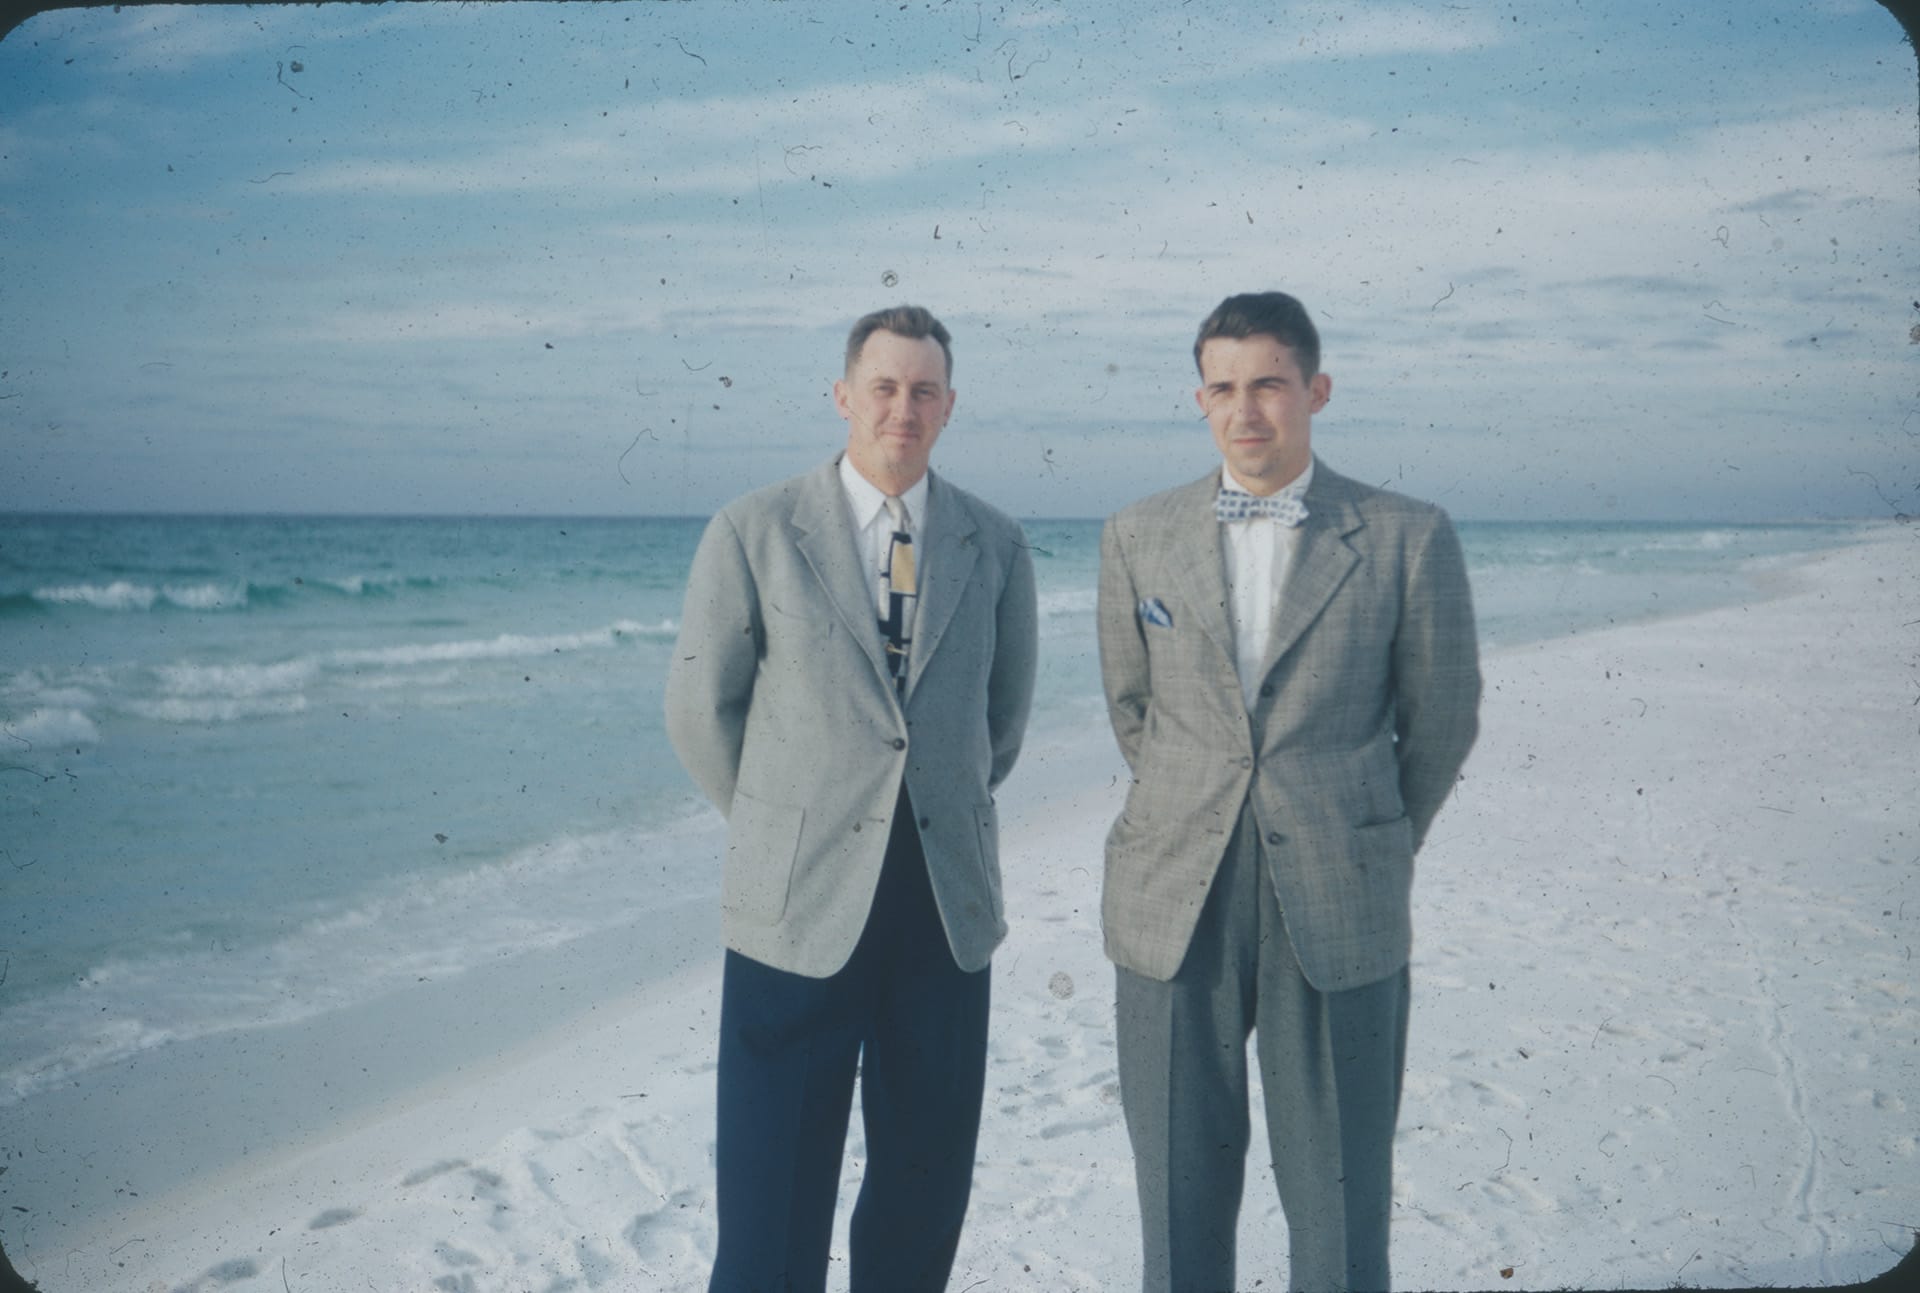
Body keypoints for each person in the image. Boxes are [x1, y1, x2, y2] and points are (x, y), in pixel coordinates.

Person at [1095, 291, 1482, 1292]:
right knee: (1178, 1204)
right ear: (1200, 399)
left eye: (1268, 383)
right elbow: (1134, 709)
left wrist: (1368, 833)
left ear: (1315, 388)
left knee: (1341, 1203)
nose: (1246, 410)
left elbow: (1438, 720)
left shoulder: (1406, 535)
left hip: (1339, 890)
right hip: (1175, 893)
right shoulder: (1137, 534)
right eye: (1223, 388)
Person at [664, 304, 1038, 1293]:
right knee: (769, 1214)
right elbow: (703, 713)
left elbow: (998, 728)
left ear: (949, 407)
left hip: (943, 911)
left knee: (921, 1199)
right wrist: (785, 831)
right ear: (843, 396)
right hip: (797, 908)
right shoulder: (755, 530)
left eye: (923, 391)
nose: (901, 409)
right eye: (883, 386)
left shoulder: (996, 545)